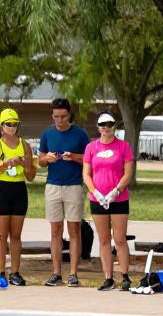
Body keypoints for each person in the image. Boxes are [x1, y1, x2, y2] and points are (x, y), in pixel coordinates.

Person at [37, 98, 90, 287]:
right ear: (52, 115)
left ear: (69, 114)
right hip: (52, 185)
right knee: (55, 230)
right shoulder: (47, 134)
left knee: (74, 229)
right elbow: (40, 160)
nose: (60, 120)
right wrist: (47, 159)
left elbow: (88, 159)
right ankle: (56, 273)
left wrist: (73, 157)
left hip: (74, 186)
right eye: (56, 116)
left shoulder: (80, 134)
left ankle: (74, 273)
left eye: (63, 116)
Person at [84, 110, 135, 291]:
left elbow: (128, 173)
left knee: (119, 239)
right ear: (98, 127)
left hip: (118, 198)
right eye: (103, 124)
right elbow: (86, 174)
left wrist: (116, 190)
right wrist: (95, 192)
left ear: (114, 126)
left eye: (110, 124)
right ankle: (108, 277)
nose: (106, 128)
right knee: (104, 239)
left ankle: (125, 275)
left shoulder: (123, 147)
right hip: (97, 199)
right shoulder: (91, 148)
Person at [0, 108, 36, 287]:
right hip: (2, 189)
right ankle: (1, 272)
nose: (12, 127)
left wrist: (26, 164)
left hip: (18, 190)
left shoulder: (25, 145)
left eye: (15, 124)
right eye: (9, 124)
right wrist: (5, 165)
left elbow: (31, 176)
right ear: (1, 126)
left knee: (16, 235)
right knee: (1, 235)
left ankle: (15, 272)